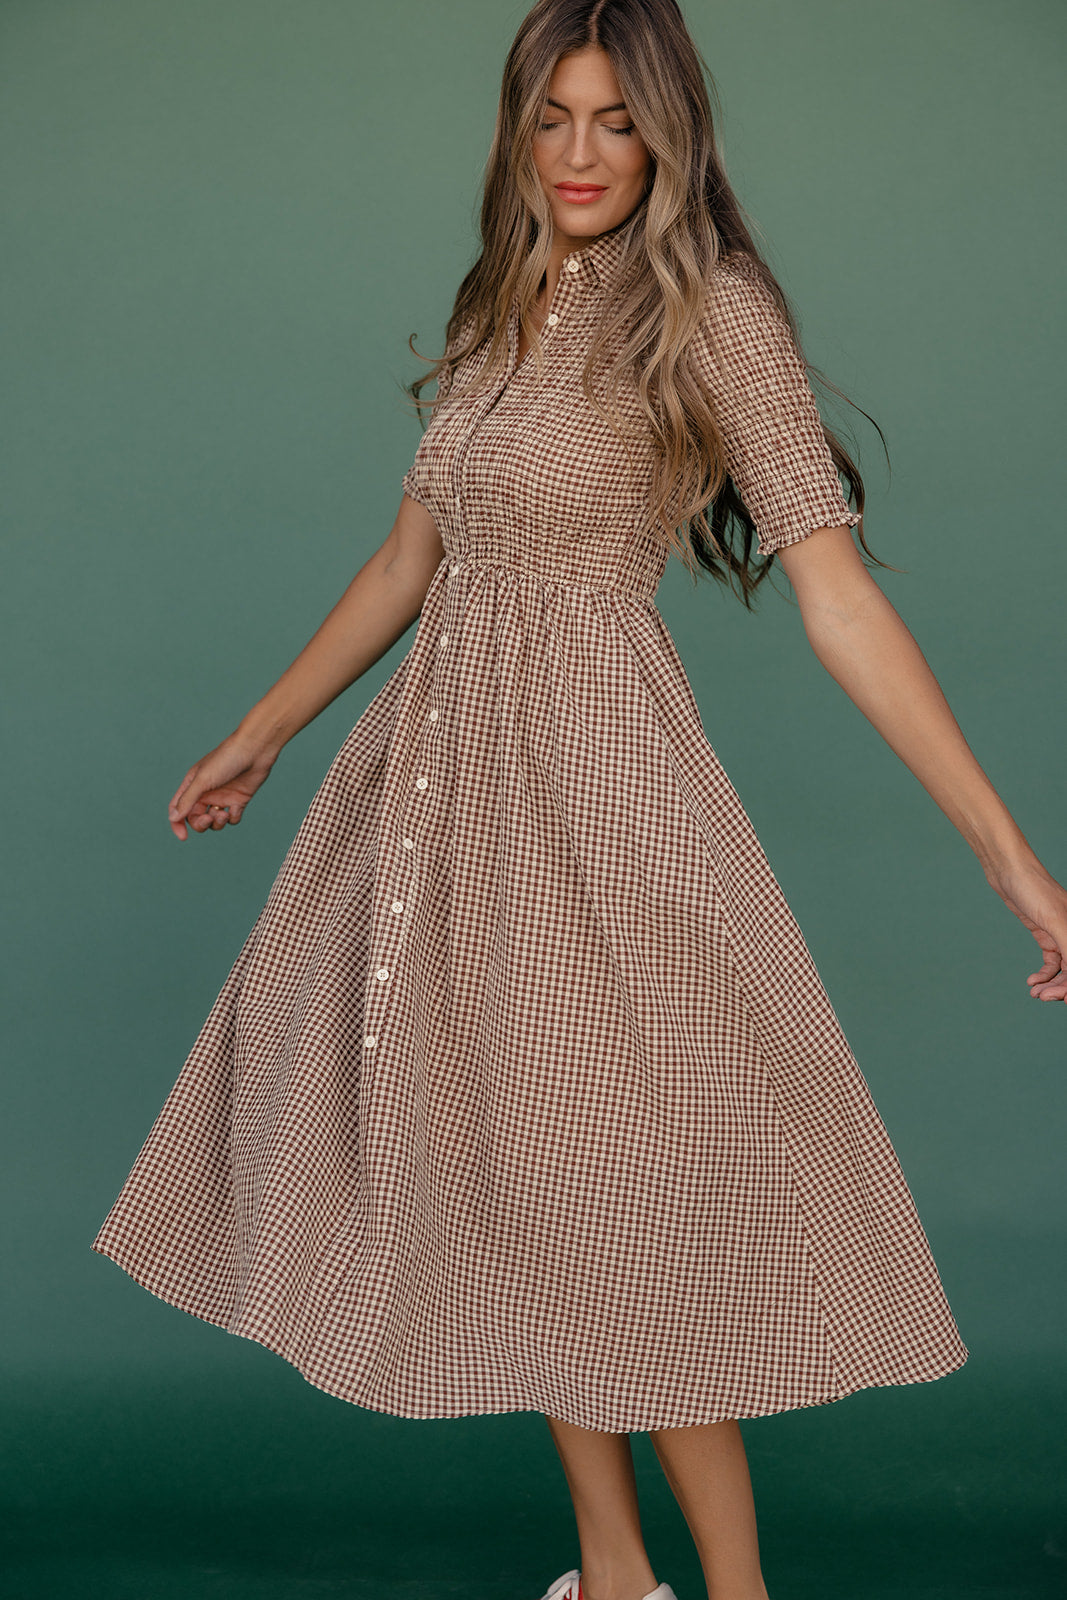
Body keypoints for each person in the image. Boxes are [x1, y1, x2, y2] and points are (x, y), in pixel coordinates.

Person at [90, 3, 1067, 1599]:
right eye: (551, 118)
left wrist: (1012, 860)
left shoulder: (713, 313)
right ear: (513, 130)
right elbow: (416, 559)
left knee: (631, 1206)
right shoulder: (505, 303)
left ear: (672, 133)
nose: (580, 155)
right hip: (436, 803)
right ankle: (615, 1576)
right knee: (516, 1175)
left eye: (616, 121)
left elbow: (837, 599)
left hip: (600, 800)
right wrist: (263, 729)